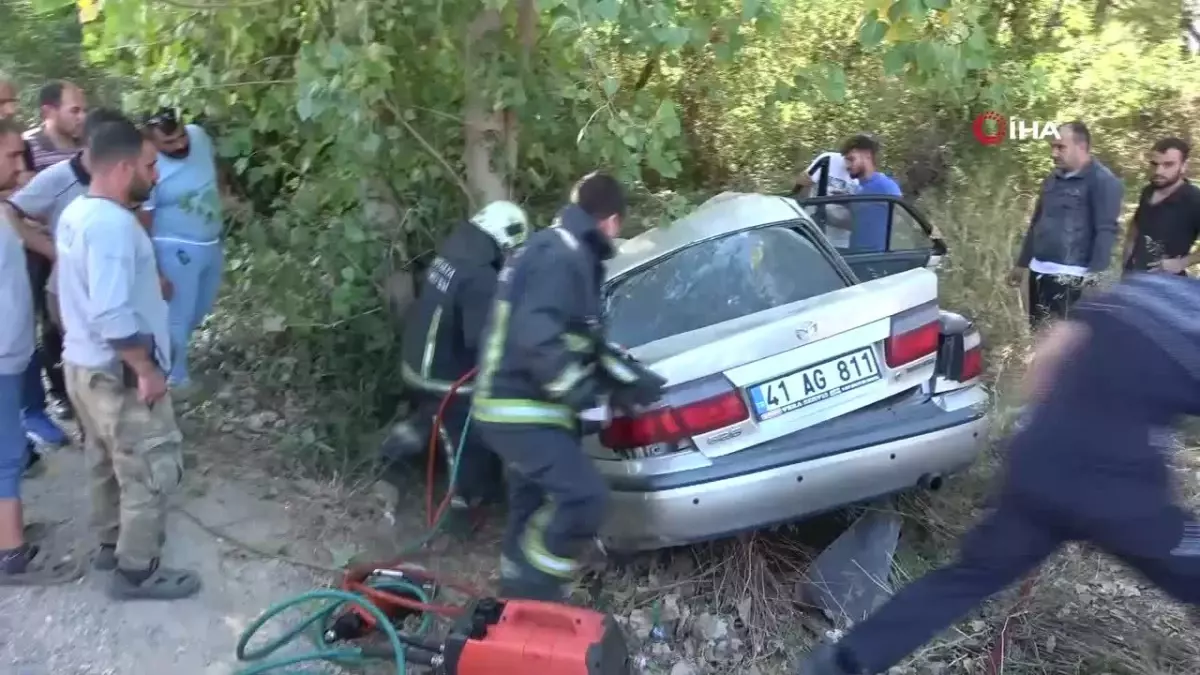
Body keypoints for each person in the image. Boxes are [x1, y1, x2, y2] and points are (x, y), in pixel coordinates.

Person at [797, 272, 1200, 675]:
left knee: (966, 578)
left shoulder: (1141, 289)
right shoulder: (1192, 322)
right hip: (1120, 493)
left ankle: (841, 664)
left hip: (1038, 462)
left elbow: (1049, 354)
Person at [472, 172, 665, 601]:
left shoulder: (556, 249)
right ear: (612, 221)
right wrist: (585, 397)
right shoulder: (563, 256)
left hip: (516, 406)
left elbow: (581, 340)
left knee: (531, 502)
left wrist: (628, 378)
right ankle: (535, 589)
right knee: (585, 499)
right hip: (519, 410)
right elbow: (537, 335)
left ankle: (513, 595)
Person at [56, 117, 200, 600]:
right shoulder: (114, 227)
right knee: (145, 466)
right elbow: (113, 311)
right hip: (116, 372)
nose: (155, 175)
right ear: (122, 169)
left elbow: (65, 295)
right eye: (149, 165)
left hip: (81, 365)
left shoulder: (76, 215)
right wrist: (146, 369)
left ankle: (109, 542)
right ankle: (137, 570)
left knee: (102, 460)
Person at [5, 108, 157, 450]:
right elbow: (12, 209)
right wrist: (52, 250)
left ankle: (104, 433)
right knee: (91, 358)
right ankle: (95, 426)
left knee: (101, 364)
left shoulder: (117, 192)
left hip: (114, 298)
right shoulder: (63, 182)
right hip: (70, 294)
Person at [388, 200, 530, 532]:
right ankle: (464, 510)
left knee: (434, 419)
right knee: (473, 434)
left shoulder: (455, 253)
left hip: (416, 361)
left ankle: (396, 454)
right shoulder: (480, 277)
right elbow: (482, 343)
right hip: (440, 376)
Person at [0, 116, 80, 584]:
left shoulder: (4, 208)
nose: (20, 164)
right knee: (7, 455)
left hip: (11, 355)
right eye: (11, 155)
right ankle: (11, 557)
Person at [1007, 121, 1124, 330]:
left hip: (1072, 277)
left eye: (1060, 147)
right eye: (1052, 146)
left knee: (1065, 347)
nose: (1054, 153)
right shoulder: (1053, 178)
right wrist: (1022, 263)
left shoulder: (1103, 181)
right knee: (1039, 335)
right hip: (1039, 271)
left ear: (1081, 147)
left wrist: (1093, 280)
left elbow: (1105, 231)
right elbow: (1037, 220)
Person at [141, 107, 224, 397]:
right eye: (169, 143)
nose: (179, 145)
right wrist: (156, 270)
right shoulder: (149, 167)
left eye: (180, 137)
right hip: (175, 247)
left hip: (211, 242)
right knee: (177, 314)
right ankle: (175, 379)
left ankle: (164, 362)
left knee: (198, 310)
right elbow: (144, 221)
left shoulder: (198, 136)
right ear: (152, 142)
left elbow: (212, 170)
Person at [1122, 138, 1200, 276]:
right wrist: (1127, 256)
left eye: (1168, 165)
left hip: (1166, 286)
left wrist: (1182, 263)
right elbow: (1136, 226)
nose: (1158, 171)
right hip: (1133, 279)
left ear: (1183, 166)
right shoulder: (1148, 190)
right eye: (1154, 164)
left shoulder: (1193, 199)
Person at [840, 134, 902, 252]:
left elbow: (900, 220)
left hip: (876, 257)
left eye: (851, 159)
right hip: (855, 255)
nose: (847, 166)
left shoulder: (885, 186)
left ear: (867, 155)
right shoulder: (857, 188)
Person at [793, 151, 859, 198]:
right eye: (850, 159)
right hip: (816, 209)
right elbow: (803, 183)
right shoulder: (828, 159)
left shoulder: (866, 175)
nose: (852, 164)